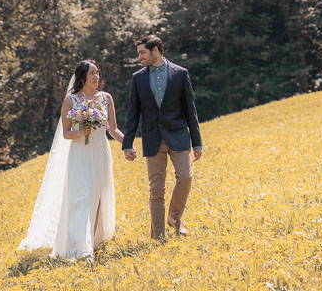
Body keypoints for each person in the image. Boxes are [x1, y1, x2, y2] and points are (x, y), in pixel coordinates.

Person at [17, 59, 124, 260]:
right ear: (82, 77)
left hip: (101, 152)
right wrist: (80, 132)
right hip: (79, 155)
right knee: (81, 198)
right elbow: (66, 133)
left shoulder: (106, 98)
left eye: (97, 73)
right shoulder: (71, 100)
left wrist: (127, 145)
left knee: (98, 198)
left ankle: (92, 241)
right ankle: (82, 249)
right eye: (91, 73)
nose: (96, 77)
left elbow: (113, 128)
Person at [121, 35, 202, 239]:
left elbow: (190, 110)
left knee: (185, 177)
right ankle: (158, 235)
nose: (139, 57)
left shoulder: (180, 74)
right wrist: (127, 143)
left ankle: (174, 218)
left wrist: (197, 142)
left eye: (142, 53)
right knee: (156, 188)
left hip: (178, 135)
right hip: (152, 138)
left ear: (155, 49)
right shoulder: (138, 78)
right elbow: (133, 113)